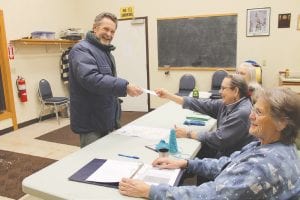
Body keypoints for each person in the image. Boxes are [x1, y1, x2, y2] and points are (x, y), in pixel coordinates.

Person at [119, 87, 300, 199]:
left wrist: (150, 191)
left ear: (281, 122)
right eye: (253, 109)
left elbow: (210, 195)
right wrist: (187, 163)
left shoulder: (262, 165)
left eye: (259, 113)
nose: (251, 116)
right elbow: (227, 164)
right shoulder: (271, 145)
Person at [69, 12, 143, 148]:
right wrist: (125, 86)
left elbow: (107, 84)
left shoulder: (105, 52)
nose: (109, 34)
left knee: (107, 157)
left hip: (106, 118)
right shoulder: (81, 50)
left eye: (112, 31)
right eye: (106, 29)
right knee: (93, 161)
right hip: (90, 122)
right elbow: (91, 79)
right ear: (95, 28)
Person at [155, 74, 254, 159]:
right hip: (225, 152)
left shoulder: (242, 113)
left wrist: (189, 134)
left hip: (231, 159)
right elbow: (200, 103)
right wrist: (169, 96)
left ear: (236, 91)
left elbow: (218, 139)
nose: (220, 91)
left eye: (223, 88)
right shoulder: (229, 103)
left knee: (187, 157)